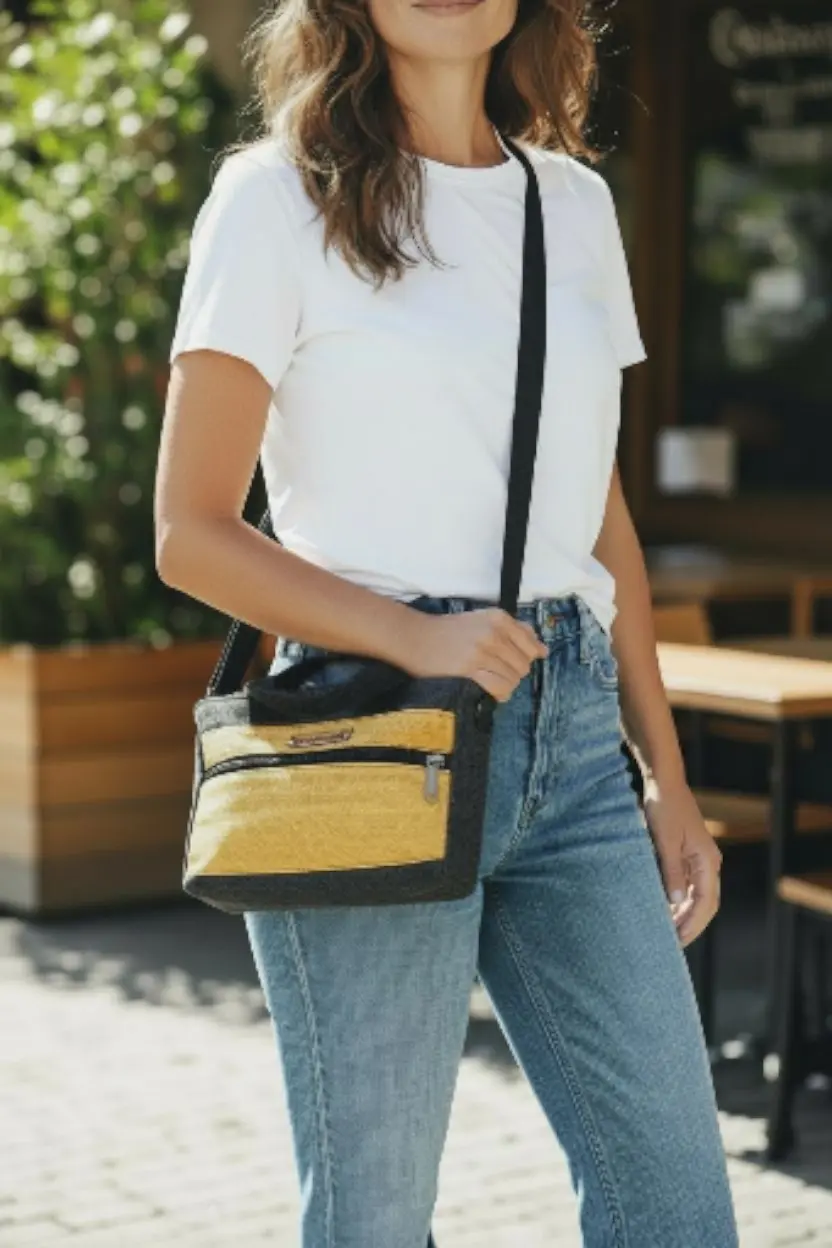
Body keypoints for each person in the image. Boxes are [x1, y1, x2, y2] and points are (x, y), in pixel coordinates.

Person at [155, 1, 739, 1244]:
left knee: (677, 1207)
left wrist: (666, 772)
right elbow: (191, 531)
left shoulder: (571, 208)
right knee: (374, 1219)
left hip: (575, 744)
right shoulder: (274, 201)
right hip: (373, 727)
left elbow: (600, 519)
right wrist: (413, 635)